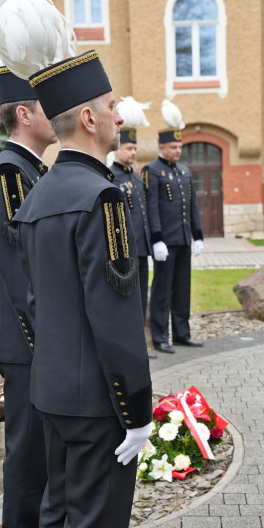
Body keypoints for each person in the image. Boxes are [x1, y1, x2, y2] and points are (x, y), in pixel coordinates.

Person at [11, 50, 167, 528]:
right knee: (95, 527)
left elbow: (27, 301)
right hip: (100, 398)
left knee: (58, 514)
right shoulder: (103, 197)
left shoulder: (41, 194)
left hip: (52, 388)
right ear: (86, 122)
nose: (117, 114)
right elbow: (117, 321)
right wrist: (137, 411)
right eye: (108, 107)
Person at [0, 67, 56, 528]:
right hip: (26, 340)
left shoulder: (29, 170)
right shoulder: (9, 174)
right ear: (24, 114)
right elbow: (18, 269)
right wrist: (46, 337)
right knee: (27, 453)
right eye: (46, 105)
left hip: (35, 340)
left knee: (38, 450)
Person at [142, 128, 204, 353]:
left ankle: (182, 333)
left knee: (182, 288)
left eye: (180, 147)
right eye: (173, 147)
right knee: (162, 290)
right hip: (165, 243)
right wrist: (156, 239)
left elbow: (192, 206)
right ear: (162, 148)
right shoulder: (152, 170)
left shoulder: (184, 172)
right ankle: (160, 337)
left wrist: (197, 235)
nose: (178, 151)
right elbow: (152, 207)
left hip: (183, 239)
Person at [110, 127, 156, 358]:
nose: (133, 152)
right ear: (117, 150)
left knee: (141, 300)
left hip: (142, 248)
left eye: (135, 148)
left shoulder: (136, 177)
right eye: (129, 148)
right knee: (128, 302)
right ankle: (131, 347)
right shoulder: (110, 177)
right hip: (126, 250)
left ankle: (141, 344)